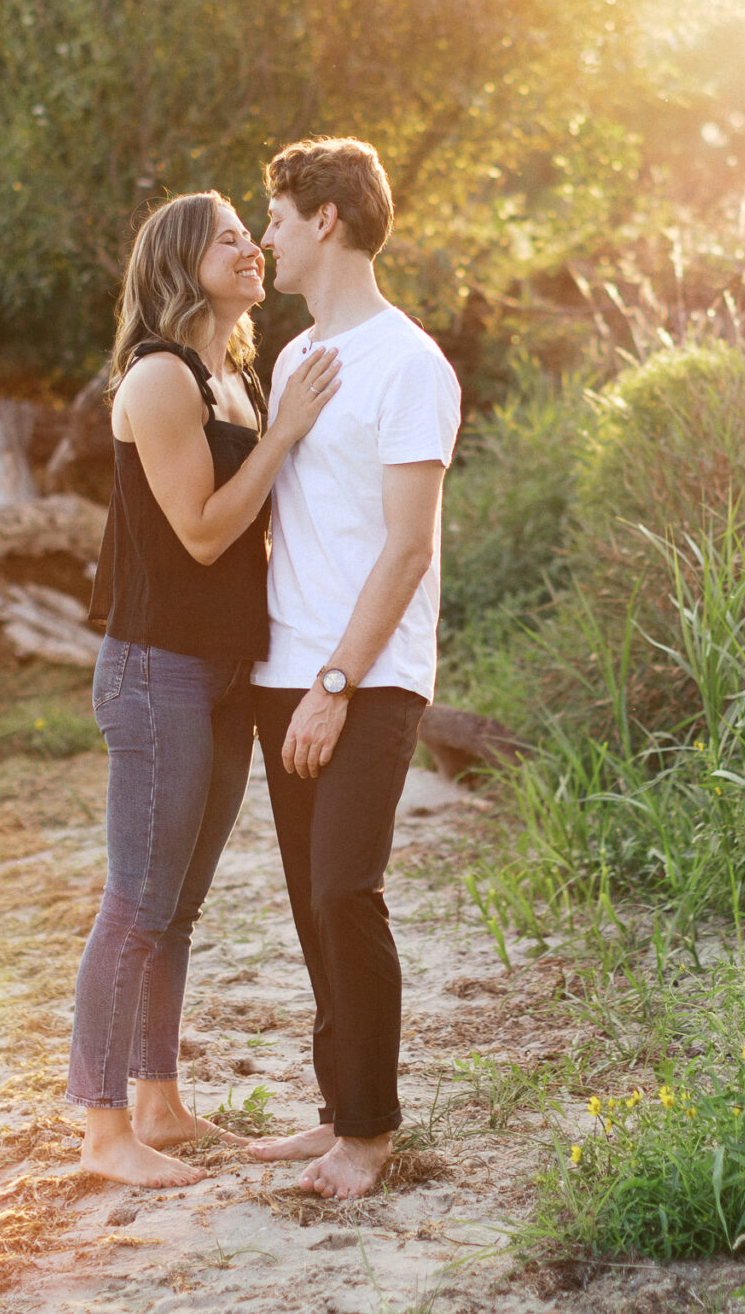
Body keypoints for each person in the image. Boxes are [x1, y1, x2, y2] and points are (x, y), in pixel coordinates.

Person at [70, 190, 341, 1187]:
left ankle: (158, 1102)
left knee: (176, 908)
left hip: (228, 669)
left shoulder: (239, 376)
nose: (250, 247)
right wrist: (288, 434)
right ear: (181, 262)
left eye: (249, 233)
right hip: (156, 671)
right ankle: (102, 1132)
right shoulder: (157, 378)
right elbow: (202, 530)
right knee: (136, 902)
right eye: (228, 235)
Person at [242, 138, 462, 1200]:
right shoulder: (292, 361)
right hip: (283, 669)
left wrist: (335, 682)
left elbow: (407, 545)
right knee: (304, 900)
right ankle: (335, 1111)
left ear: (323, 219)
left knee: (344, 890)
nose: (265, 237)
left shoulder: (410, 364)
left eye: (276, 217)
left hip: (366, 678)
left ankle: (370, 1138)